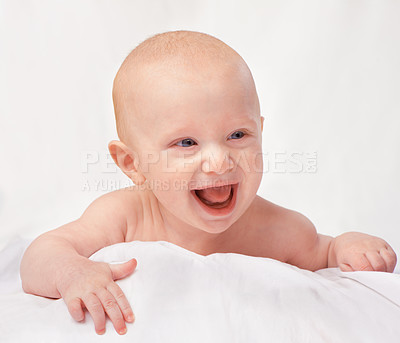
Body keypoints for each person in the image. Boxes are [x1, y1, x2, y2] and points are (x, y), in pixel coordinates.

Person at [20, 30, 397, 336]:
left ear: (261, 131)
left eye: (237, 134)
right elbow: (43, 253)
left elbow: (323, 253)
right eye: (187, 143)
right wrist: (71, 273)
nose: (219, 161)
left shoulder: (278, 229)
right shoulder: (125, 216)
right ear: (132, 163)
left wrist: (347, 246)